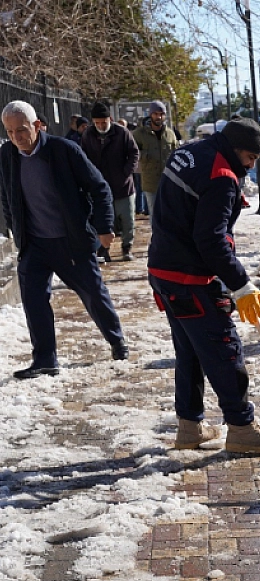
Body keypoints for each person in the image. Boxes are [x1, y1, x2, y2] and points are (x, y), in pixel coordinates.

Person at [147, 117, 260, 454]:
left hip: (163, 269)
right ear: (237, 150)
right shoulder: (222, 176)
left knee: (191, 352)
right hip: (189, 278)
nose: (251, 167)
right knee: (225, 349)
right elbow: (211, 240)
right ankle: (240, 428)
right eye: (251, 159)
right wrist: (241, 284)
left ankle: (190, 427)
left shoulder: (191, 151)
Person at [0, 100, 129, 379]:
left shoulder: (64, 150)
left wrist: (104, 226)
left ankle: (117, 340)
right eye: (9, 132)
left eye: (21, 130)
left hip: (70, 241)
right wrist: (16, 229)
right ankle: (45, 358)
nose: (16, 138)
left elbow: (99, 188)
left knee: (93, 294)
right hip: (34, 244)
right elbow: (7, 196)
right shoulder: (7, 155)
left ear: (36, 126)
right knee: (34, 300)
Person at [82, 102, 140, 262]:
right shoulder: (88, 135)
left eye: (104, 122)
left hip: (123, 186)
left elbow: (134, 153)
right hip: (101, 188)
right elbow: (84, 158)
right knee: (107, 220)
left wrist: (126, 173)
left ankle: (127, 248)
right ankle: (104, 250)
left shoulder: (122, 132)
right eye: (97, 123)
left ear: (110, 119)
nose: (101, 126)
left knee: (128, 220)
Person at [132, 101, 179, 217]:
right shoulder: (139, 133)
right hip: (150, 182)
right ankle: (157, 235)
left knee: (170, 215)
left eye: (161, 114)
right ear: (150, 114)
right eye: (155, 114)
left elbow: (176, 153)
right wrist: (146, 155)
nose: (158, 117)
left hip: (168, 181)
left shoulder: (170, 134)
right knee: (155, 215)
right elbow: (132, 151)